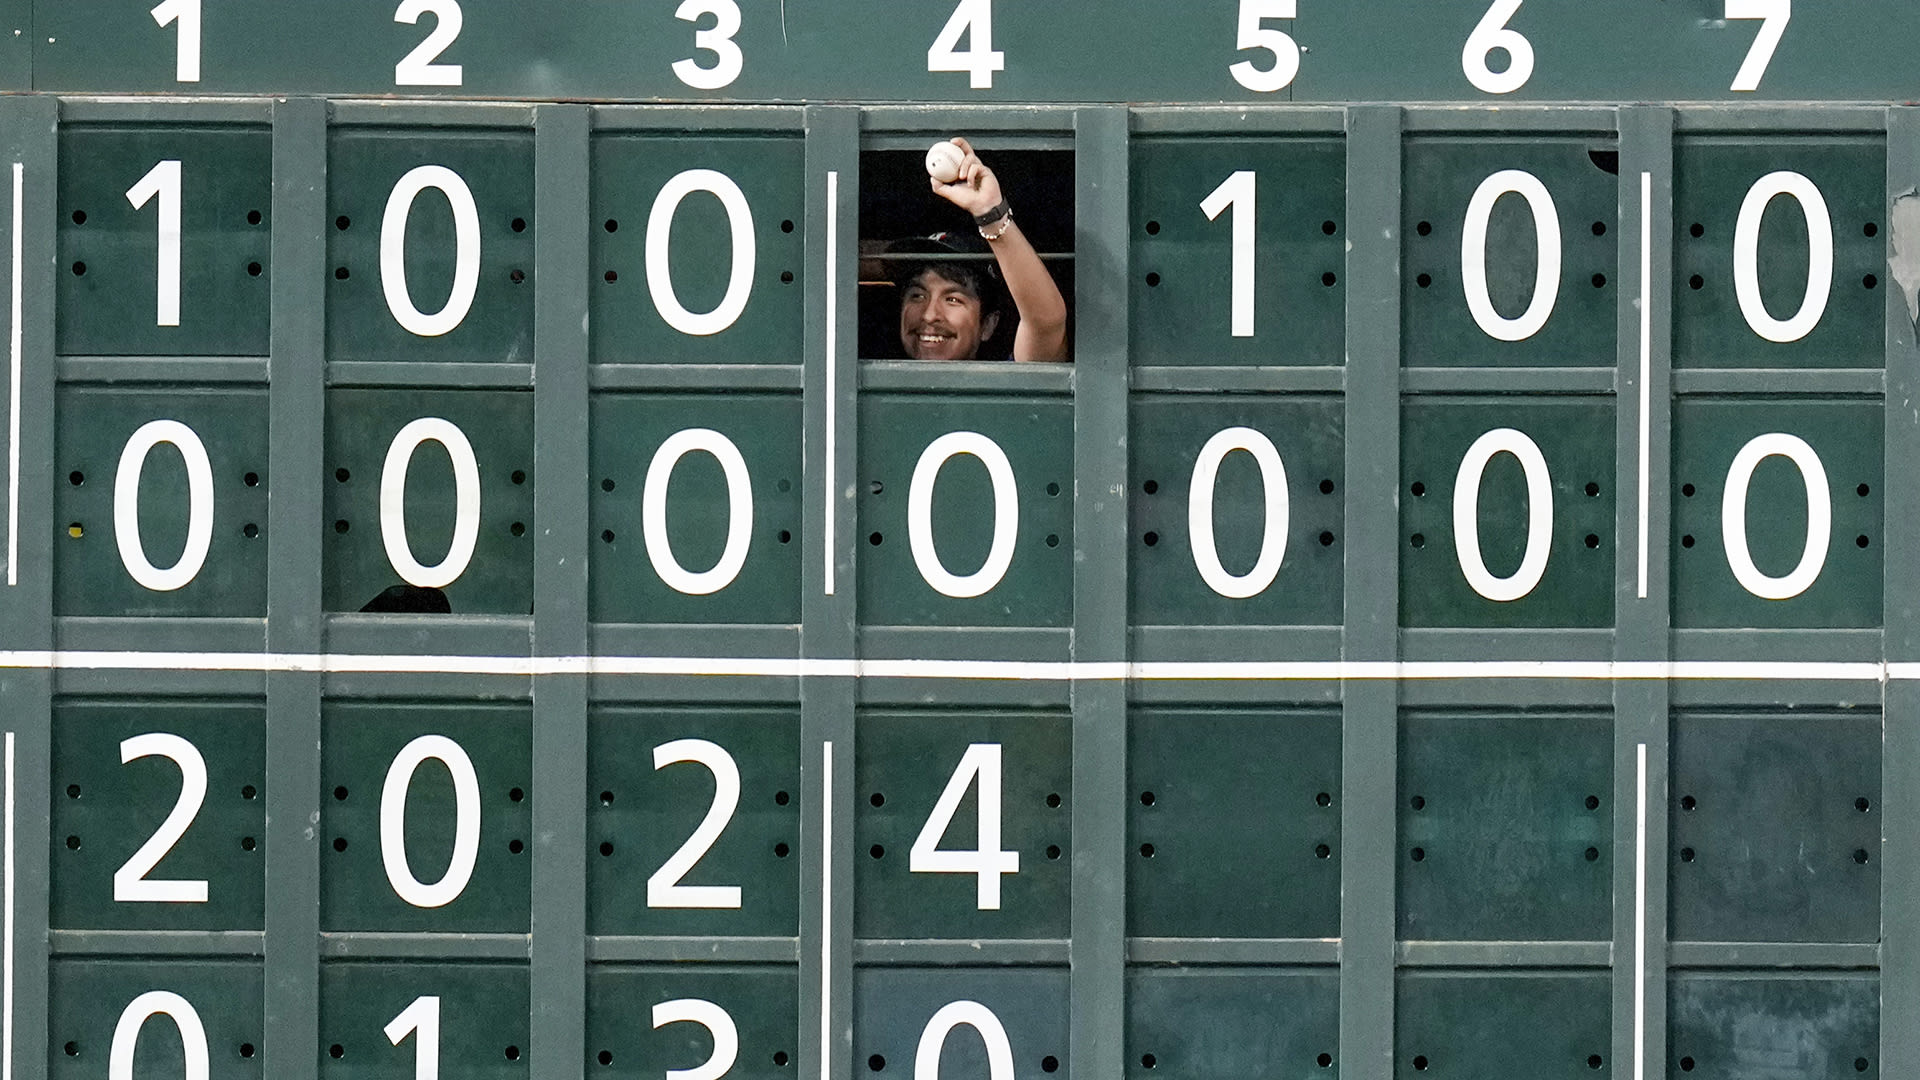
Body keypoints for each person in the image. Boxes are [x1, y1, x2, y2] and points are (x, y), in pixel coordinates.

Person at [895, 138, 1068, 363]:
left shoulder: (1006, 385)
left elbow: (1046, 322)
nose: (929, 315)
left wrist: (990, 213)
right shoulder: (866, 381)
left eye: (953, 299)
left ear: (987, 325)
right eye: (917, 295)